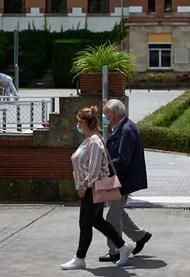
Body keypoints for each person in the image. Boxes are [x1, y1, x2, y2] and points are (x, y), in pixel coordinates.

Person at [61, 106, 133, 270]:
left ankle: (80, 258)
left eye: (78, 122)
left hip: (92, 189)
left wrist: (84, 186)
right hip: (92, 189)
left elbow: (93, 170)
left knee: (85, 223)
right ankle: (123, 246)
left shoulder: (94, 141)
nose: (77, 125)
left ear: (84, 123)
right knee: (97, 221)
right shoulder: (91, 140)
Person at [99, 99, 152, 263]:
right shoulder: (123, 127)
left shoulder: (127, 130)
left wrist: (103, 168)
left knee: (112, 217)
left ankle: (114, 250)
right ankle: (140, 236)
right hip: (121, 179)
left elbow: (123, 159)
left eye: (106, 114)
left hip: (122, 180)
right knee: (118, 212)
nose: (104, 117)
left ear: (113, 115)